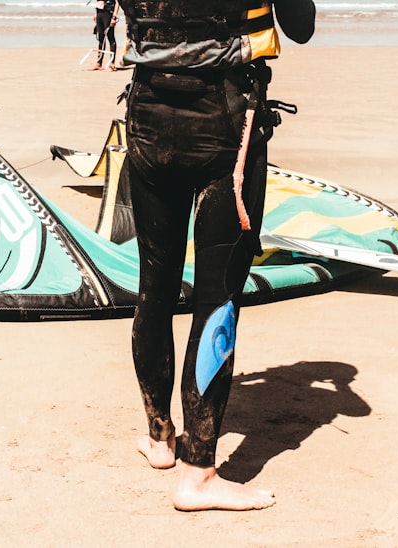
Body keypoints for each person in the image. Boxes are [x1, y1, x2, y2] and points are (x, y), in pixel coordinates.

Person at [118, 0, 316, 511]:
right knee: (217, 300)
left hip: (148, 120)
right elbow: (300, 26)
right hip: (226, 131)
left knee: (154, 289)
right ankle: (199, 473)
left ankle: (160, 437)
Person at [93, 0, 119, 70]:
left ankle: (112, 63)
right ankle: (99, 62)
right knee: (101, 38)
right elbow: (99, 3)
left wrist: (114, 17)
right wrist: (96, 13)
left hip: (108, 14)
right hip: (100, 13)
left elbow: (117, 2)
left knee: (110, 38)